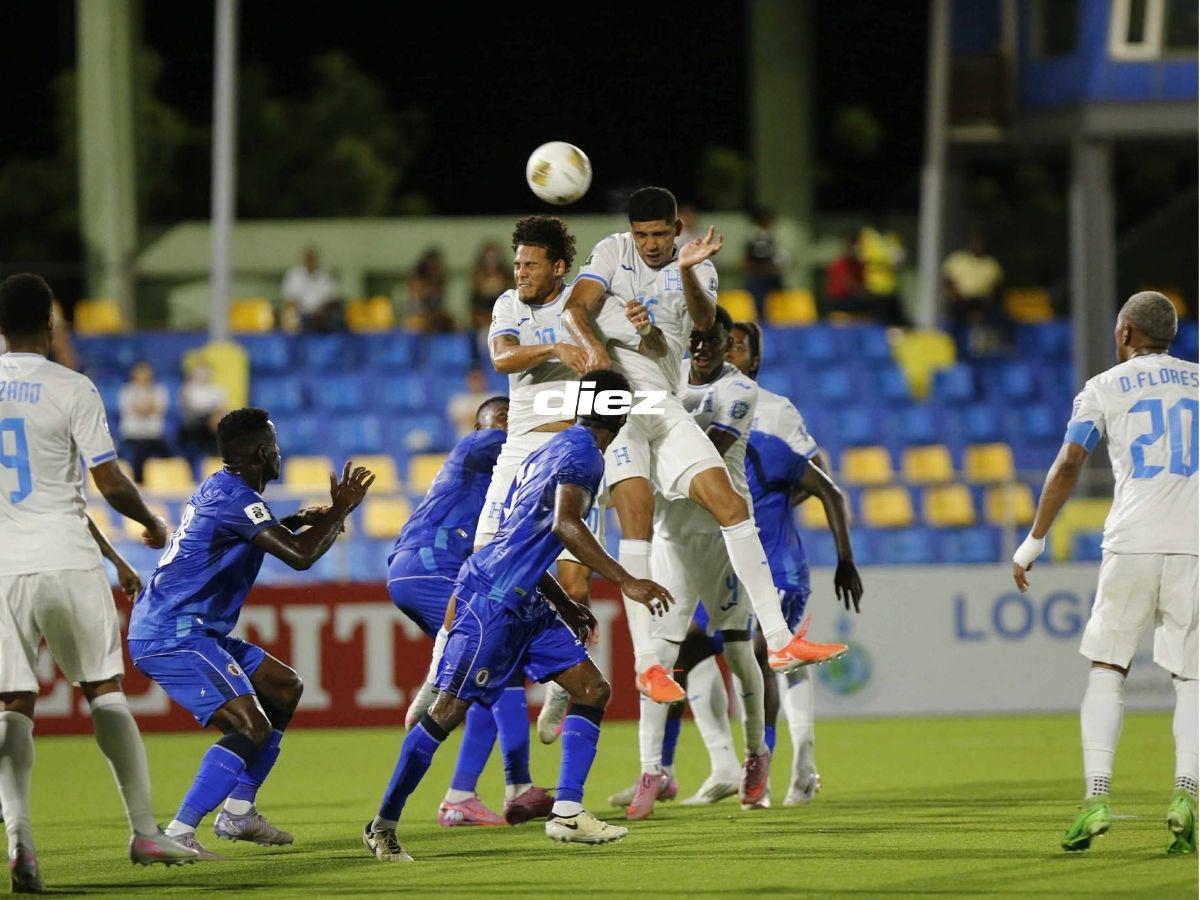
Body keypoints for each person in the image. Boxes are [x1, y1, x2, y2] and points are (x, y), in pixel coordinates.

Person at [365, 369, 673, 860]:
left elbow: (524, 536)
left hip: (524, 594)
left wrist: (564, 602)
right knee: (446, 713)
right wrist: (626, 580)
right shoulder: (584, 455)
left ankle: (567, 812)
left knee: (592, 690)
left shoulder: (547, 451)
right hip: (491, 599)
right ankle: (382, 824)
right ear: (621, 413)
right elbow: (566, 525)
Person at [562, 186, 831, 703]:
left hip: (662, 402)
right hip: (616, 407)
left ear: (676, 230)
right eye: (642, 234)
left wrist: (685, 270)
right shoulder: (613, 251)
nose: (650, 244)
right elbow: (576, 310)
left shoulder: (696, 266)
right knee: (636, 514)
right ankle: (647, 664)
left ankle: (779, 641)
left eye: (659, 234)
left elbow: (705, 323)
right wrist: (599, 359)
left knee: (731, 503)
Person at [0, 273, 197, 892]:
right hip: (65, 557)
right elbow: (104, 483)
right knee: (103, 690)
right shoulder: (72, 386)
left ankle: (20, 845)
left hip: (3, 566)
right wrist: (152, 523)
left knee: (12, 704)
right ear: (51, 323)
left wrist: (114, 557)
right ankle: (144, 830)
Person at [128, 409, 374, 859]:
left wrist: (298, 518)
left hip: (194, 629)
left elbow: (249, 535)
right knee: (250, 724)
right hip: (172, 632)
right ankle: (178, 832)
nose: (280, 453)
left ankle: (239, 810)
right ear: (263, 453)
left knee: (283, 687)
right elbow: (300, 558)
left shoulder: (223, 488)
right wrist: (341, 509)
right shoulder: (236, 499)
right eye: (275, 446)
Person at [1012, 291, 1197, 854]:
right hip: (1194, 547)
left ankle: (1096, 797)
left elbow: (1072, 460)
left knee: (1108, 667)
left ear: (1125, 333)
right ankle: (1186, 795)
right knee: (1192, 678)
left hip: (1132, 542)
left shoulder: (1103, 388)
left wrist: (1035, 537)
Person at [386, 395, 558, 827]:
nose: (510, 423)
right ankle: (513, 786)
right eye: (502, 417)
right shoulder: (476, 447)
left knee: (490, 670)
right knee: (498, 658)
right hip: (430, 567)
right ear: (480, 425)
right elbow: (519, 440)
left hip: (426, 569)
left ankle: (464, 796)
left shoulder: (504, 485)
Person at [943, 233, 1007, 354]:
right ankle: (954, 348)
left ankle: (984, 351)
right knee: (954, 321)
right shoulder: (958, 260)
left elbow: (997, 286)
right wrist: (956, 297)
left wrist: (987, 303)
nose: (977, 247)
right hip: (960, 299)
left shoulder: (991, 263)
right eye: (975, 244)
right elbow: (948, 281)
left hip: (983, 301)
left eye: (980, 245)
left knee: (994, 318)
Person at [118, 361, 171, 482]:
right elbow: (135, 409)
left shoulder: (159, 390)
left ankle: (165, 481)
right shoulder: (127, 391)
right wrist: (146, 407)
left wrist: (145, 406)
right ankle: (139, 481)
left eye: (145, 373)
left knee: (166, 451)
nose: (143, 377)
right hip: (133, 434)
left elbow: (158, 408)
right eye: (140, 373)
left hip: (154, 434)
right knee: (139, 450)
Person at [281, 247, 341, 333]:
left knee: (335, 317)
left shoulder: (325, 275)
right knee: (291, 317)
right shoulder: (293, 275)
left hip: (321, 314)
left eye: (312, 258)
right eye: (308, 258)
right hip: (301, 313)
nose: (310, 260)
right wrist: (305, 311)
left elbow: (330, 298)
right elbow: (289, 300)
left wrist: (321, 311)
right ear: (303, 259)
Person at [743, 207, 785, 320]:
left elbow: (775, 255)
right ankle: (761, 319)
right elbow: (748, 257)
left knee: (776, 299)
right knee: (758, 301)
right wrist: (750, 269)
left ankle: (774, 319)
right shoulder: (752, 237)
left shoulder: (771, 237)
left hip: (770, 274)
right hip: (757, 275)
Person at [406, 248, 456, 333]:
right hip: (416, 318)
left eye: (437, 267)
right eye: (433, 267)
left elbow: (440, 307)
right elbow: (416, 306)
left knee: (451, 321)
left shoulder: (440, 282)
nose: (435, 270)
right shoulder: (417, 281)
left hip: (435, 319)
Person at [824, 231, 872, 319]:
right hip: (841, 301)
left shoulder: (858, 265)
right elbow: (848, 285)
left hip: (854, 300)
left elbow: (863, 285)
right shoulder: (838, 264)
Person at [447, 369, 493, 440]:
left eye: (478, 379)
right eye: (473, 379)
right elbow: (454, 419)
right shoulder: (458, 401)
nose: (476, 383)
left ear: (484, 380)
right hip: (465, 443)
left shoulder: (494, 398)